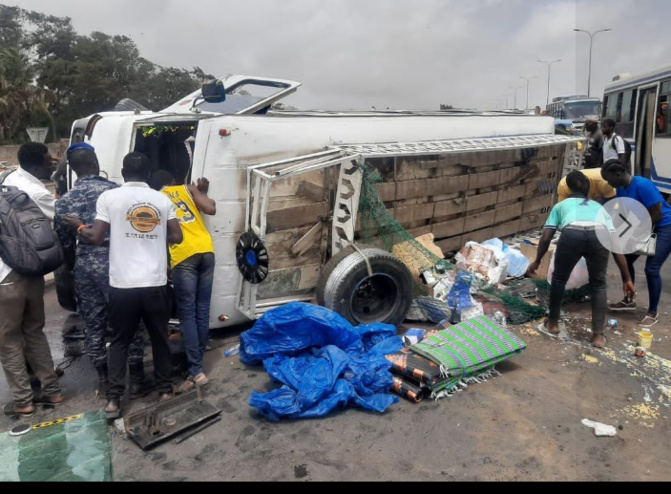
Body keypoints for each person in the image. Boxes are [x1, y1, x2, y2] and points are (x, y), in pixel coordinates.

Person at [66, 152, 183, 418]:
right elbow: (176, 236)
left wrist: (78, 226)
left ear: (122, 171)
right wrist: (151, 229)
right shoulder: (161, 199)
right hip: (155, 282)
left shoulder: (109, 198)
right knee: (159, 338)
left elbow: (95, 237)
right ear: (149, 172)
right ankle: (165, 390)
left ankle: (114, 401)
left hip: (122, 285)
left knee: (119, 341)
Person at [54, 143, 150, 399]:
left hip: (87, 267)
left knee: (93, 325)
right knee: (130, 321)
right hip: (120, 264)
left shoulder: (64, 203)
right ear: (96, 164)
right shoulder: (116, 192)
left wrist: (74, 271)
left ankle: (106, 382)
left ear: (73, 170)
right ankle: (138, 380)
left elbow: (65, 247)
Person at [528, 170, 635, 348]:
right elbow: (615, 244)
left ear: (568, 189)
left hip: (572, 235)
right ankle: (598, 336)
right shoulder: (599, 207)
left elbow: (546, 237)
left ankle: (553, 324)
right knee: (598, 284)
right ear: (588, 188)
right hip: (599, 235)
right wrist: (627, 278)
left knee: (559, 278)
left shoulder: (561, 206)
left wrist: (537, 261)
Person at [0, 143, 64, 418]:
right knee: (34, 331)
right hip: (32, 272)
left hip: (5, 279)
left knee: (8, 340)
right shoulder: (25, 193)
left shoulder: (10, 183)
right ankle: (53, 391)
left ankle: (24, 401)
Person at [149, 170, 216, 393]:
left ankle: (196, 371)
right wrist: (202, 192)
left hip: (183, 255)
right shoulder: (188, 188)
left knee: (187, 313)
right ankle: (197, 362)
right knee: (202, 309)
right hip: (206, 250)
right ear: (172, 182)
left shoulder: (156, 199)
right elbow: (210, 208)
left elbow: (158, 235)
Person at [601, 159, 671, 326]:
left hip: (665, 226)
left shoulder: (642, 185)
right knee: (625, 258)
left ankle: (652, 312)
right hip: (645, 225)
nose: (608, 183)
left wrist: (637, 233)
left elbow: (657, 214)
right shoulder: (621, 188)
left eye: (609, 179)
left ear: (618, 174)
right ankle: (628, 299)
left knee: (652, 268)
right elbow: (627, 212)